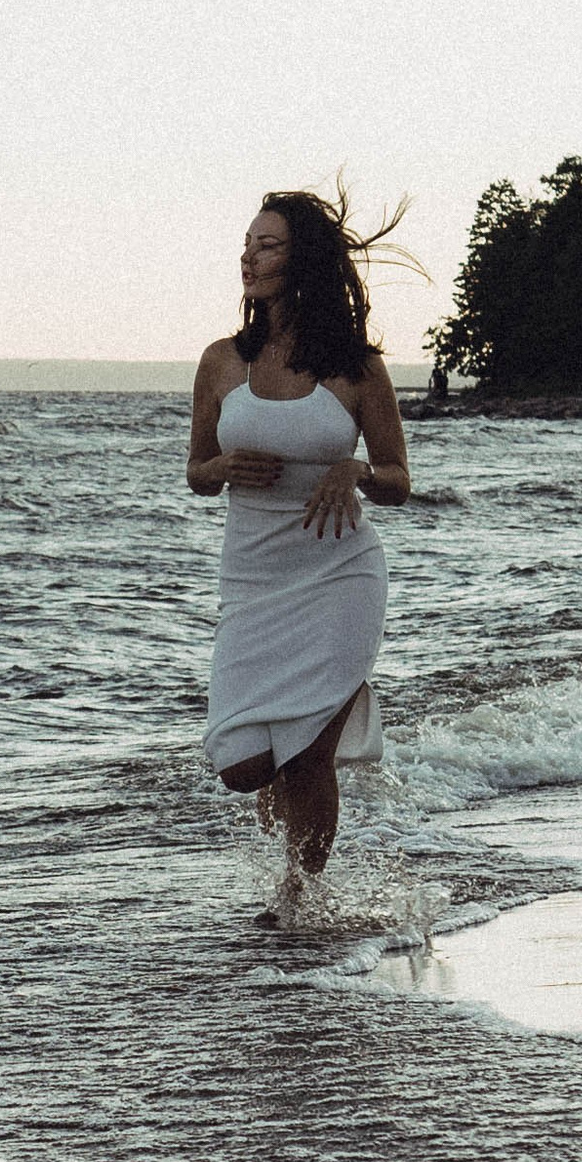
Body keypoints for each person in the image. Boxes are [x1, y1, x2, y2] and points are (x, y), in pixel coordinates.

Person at [188, 189, 412, 886]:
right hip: (254, 582)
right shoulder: (223, 361)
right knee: (244, 763)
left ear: (303, 259)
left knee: (306, 757)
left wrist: (354, 469)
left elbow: (398, 477)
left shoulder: (357, 368)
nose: (248, 258)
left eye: (267, 245)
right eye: (247, 245)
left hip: (339, 575)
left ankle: (300, 896)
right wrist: (222, 467)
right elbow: (196, 472)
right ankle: (289, 848)